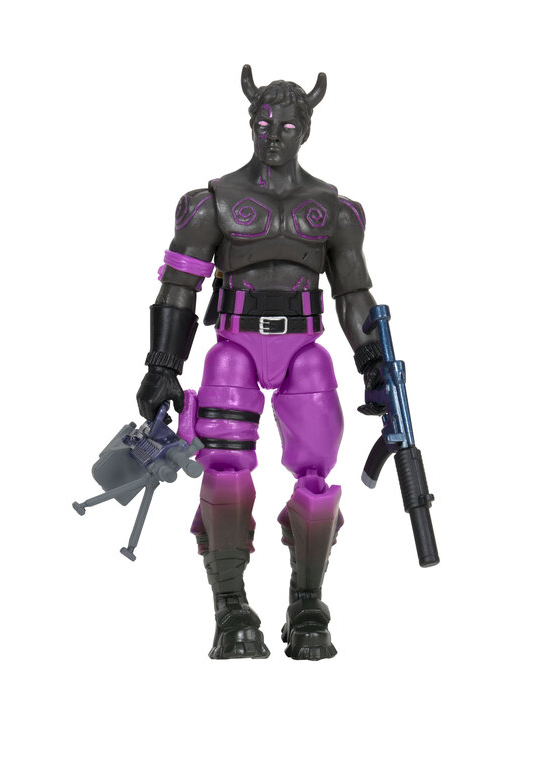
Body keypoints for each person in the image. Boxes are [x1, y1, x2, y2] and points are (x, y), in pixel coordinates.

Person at [136, 65, 384, 660]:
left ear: (307, 130)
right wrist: (163, 364)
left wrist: (374, 365)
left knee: (316, 475)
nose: (274, 135)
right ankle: (231, 607)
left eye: (288, 125)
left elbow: (354, 294)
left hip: (305, 350)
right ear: (251, 123)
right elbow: (179, 286)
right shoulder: (212, 203)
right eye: (264, 122)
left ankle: (308, 603)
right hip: (234, 349)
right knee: (224, 470)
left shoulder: (335, 210)